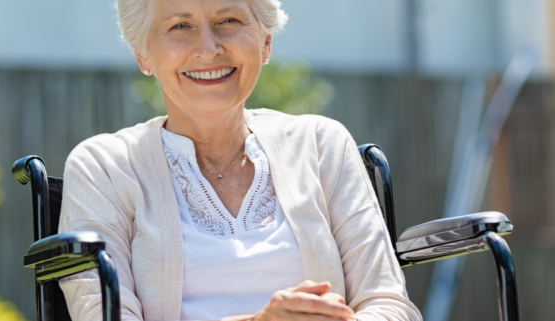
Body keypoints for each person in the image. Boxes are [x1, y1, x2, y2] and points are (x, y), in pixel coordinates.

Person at [58, 0, 422, 320]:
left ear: (265, 42)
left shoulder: (321, 145)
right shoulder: (102, 168)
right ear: (143, 55)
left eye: (229, 21)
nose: (208, 48)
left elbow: (390, 304)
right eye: (180, 26)